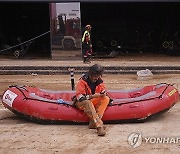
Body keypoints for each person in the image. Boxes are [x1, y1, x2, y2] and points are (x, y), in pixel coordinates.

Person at [75, 64, 110, 136]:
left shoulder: (99, 81)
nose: (96, 77)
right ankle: (99, 126)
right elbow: (80, 97)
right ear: (91, 74)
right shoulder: (82, 81)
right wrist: (93, 96)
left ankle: (93, 122)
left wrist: (103, 93)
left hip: (92, 101)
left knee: (106, 99)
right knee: (88, 103)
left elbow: (103, 90)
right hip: (81, 103)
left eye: (98, 75)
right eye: (95, 75)